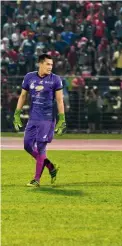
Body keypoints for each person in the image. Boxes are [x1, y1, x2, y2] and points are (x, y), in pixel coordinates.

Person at [13, 54, 66, 187]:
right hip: (33, 118)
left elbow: (59, 100)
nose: (50, 67)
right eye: (48, 64)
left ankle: (36, 180)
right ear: (40, 64)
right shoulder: (29, 77)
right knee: (27, 145)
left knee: (41, 147)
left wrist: (62, 119)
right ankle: (50, 166)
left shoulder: (55, 79)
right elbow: (23, 96)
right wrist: (17, 114)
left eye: (51, 65)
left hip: (47, 119)